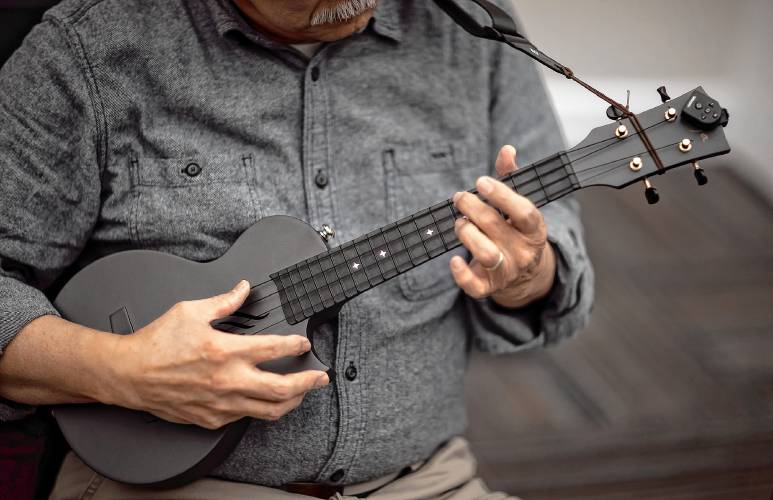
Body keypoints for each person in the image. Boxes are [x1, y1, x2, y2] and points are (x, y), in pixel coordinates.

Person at [0, 0, 594, 498]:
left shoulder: (474, 33)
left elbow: (555, 253)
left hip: (428, 481)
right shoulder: (86, 51)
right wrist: (123, 372)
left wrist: (531, 275)